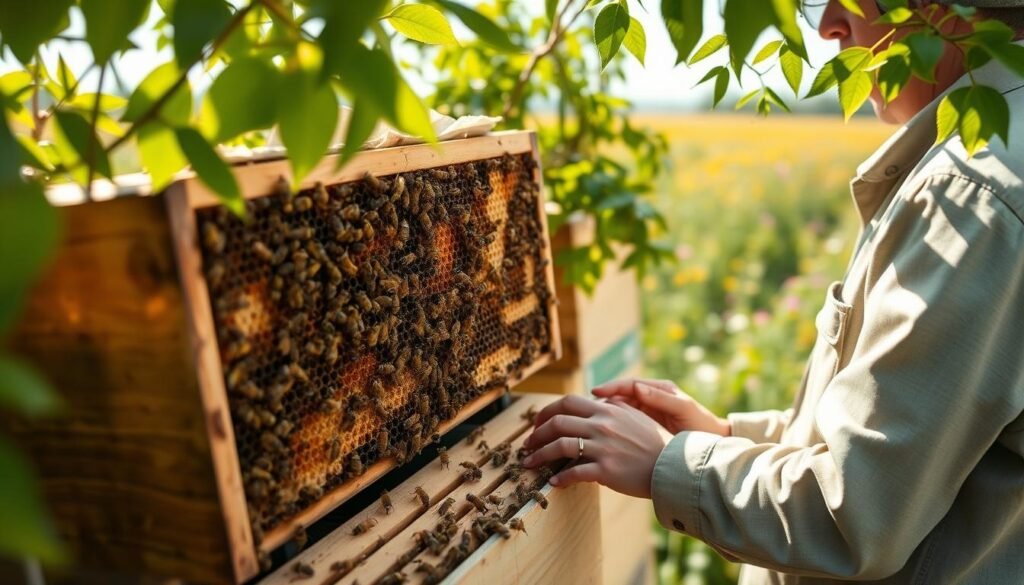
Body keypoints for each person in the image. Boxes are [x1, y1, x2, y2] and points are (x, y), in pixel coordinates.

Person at [522, 0, 1024, 582]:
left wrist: (667, 463)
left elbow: (856, 515)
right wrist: (727, 437)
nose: (829, 22)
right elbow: (915, 449)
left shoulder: (973, 193)